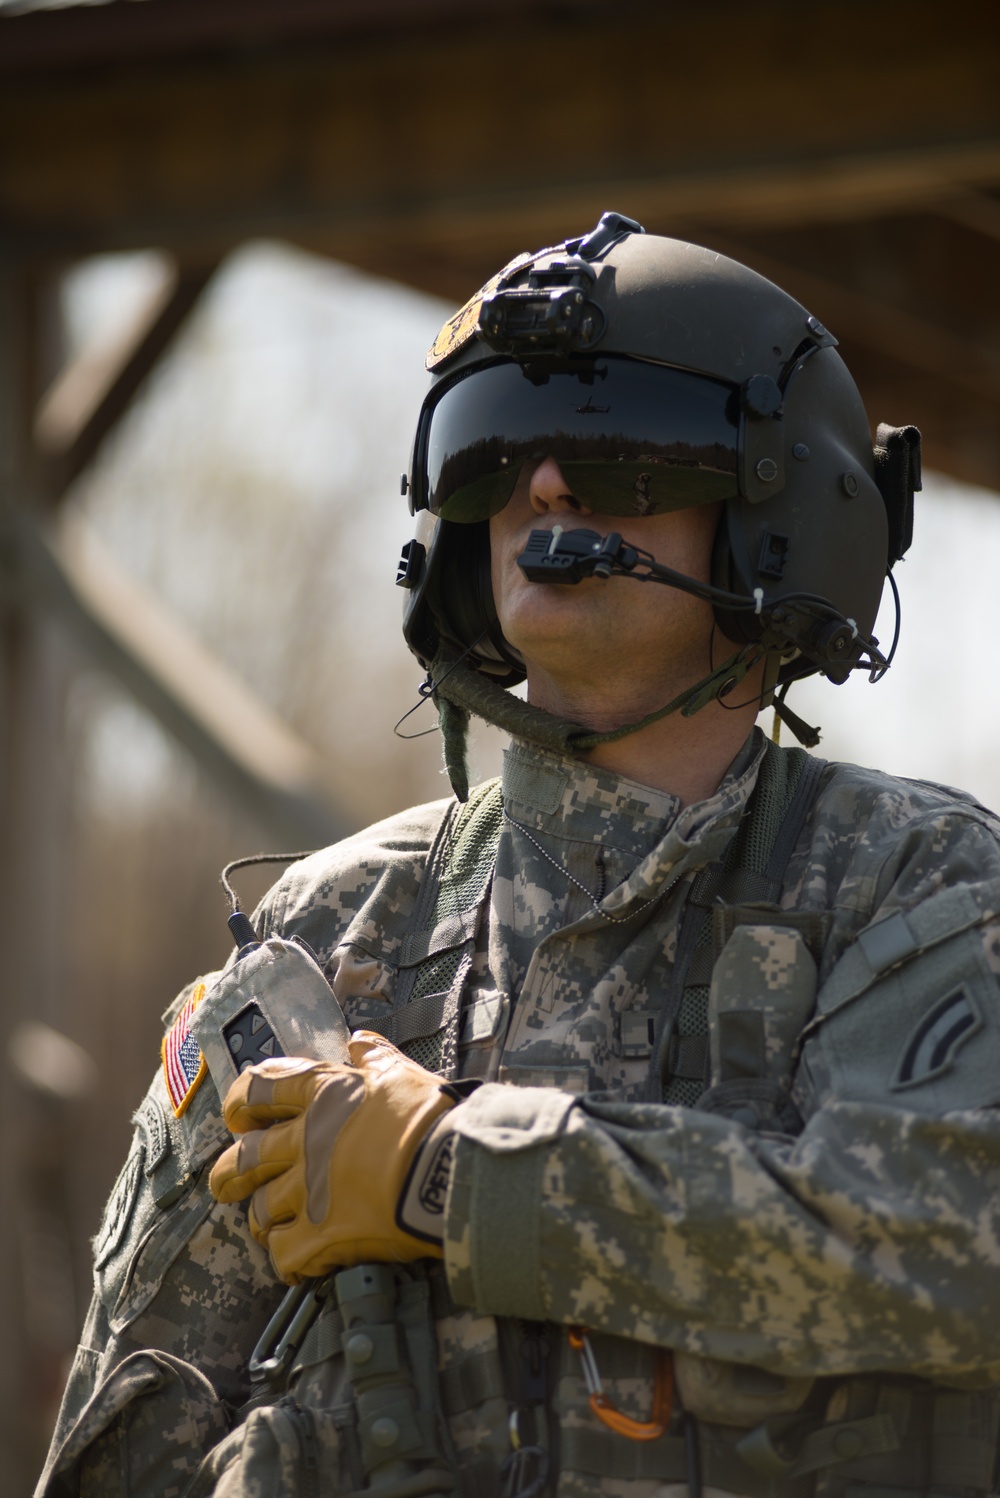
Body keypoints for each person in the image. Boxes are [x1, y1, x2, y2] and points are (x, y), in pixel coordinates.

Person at [38, 213, 1000, 1498]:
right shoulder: (322, 945)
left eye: (615, 449)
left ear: (779, 506)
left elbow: (951, 1251)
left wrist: (452, 1169)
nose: (543, 491)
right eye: (493, 453)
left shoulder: (924, 887)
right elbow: (127, 1438)